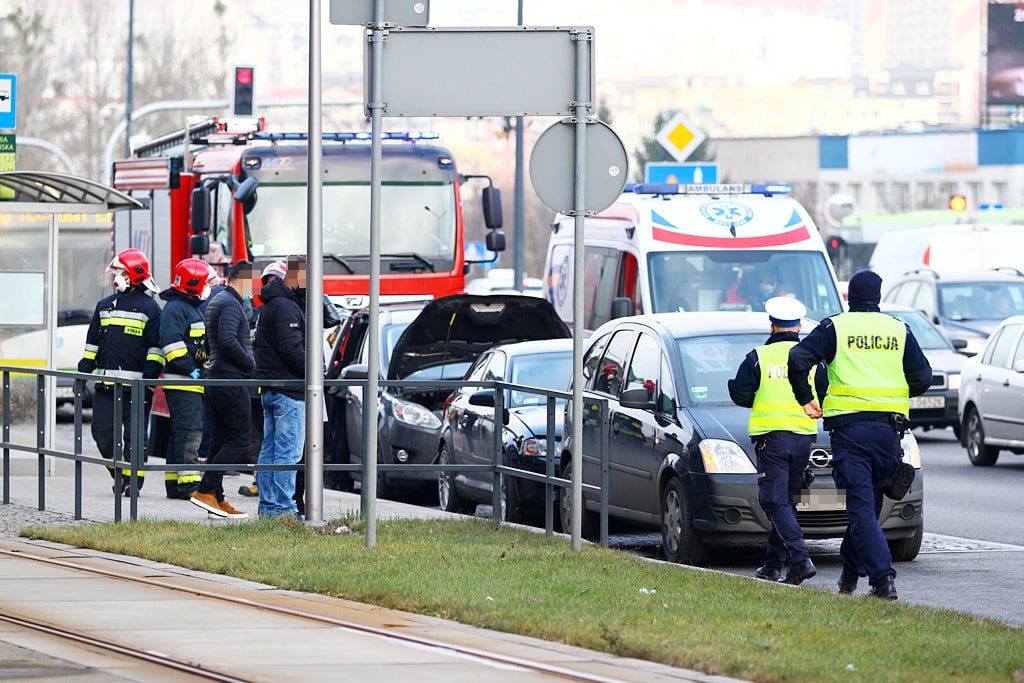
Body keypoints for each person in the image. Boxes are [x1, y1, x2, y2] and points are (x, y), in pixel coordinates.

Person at [788, 269, 932, 600]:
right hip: (888, 433)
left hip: (850, 433)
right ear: (878, 297)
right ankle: (850, 576)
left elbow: (798, 357)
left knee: (861, 510)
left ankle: (882, 579)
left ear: (849, 296)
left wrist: (806, 398)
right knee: (867, 508)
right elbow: (922, 377)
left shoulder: (835, 326)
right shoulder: (898, 329)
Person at [728, 297, 828, 585]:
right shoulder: (813, 360)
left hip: (771, 438)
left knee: (773, 500)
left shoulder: (758, 357)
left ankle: (800, 559)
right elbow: (823, 392)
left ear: (771, 326)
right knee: (785, 500)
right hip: (803, 438)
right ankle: (773, 564)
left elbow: (741, 395)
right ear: (798, 326)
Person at [78, 248, 163, 496]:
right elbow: (93, 342)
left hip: (137, 385)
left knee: (135, 437)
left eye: (122, 272)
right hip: (106, 385)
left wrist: (149, 376)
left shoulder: (150, 308)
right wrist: (84, 370)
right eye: (117, 272)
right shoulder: (104, 306)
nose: (117, 277)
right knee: (101, 432)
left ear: (135, 275)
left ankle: (132, 482)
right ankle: (118, 471)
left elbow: (155, 348)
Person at [189, 261, 259, 520]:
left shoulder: (217, 301)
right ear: (242, 279)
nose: (256, 288)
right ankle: (207, 489)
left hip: (217, 377)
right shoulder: (231, 303)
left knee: (219, 439)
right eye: (254, 281)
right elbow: (229, 339)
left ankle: (216, 497)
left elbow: (209, 342)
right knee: (240, 438)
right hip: (230, 379)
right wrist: (249, 364)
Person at [254, 255, 307, 519]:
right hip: (289, 390)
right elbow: (292, 349)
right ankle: (284, 510)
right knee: (288, 453)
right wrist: (314, 373)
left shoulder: (270, 305)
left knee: (271, 450)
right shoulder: (286, 306)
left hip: (271, 387)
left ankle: (268, 508)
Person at [158, 258, 211, 500]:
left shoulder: (188, 308)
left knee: (179, 432)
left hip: (189, 379)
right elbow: (172, 345)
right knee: (190, 432)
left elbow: (193, 343)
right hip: (182, 380)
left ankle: (174, 484)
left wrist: (203, 357)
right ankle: (189, 484)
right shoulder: (175, 309)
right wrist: (191, 367)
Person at [238, 260, 287, 499]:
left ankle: (267, 485)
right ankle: (264, 483)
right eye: (267, 282)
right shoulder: (261, 311)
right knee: (265, 438)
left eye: (275, 282)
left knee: (274, 439)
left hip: (269, 384)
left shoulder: (273, 310)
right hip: (263, 385)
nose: (270, 287)